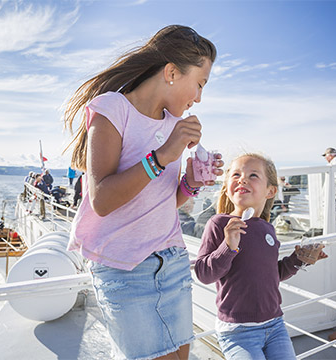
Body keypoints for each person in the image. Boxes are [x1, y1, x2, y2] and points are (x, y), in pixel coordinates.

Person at [62, 25, 220, 360]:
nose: (199, 98)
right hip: (123, 267)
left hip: (174, 261)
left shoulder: (171, 124)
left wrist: (190, 182)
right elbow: (103, 200)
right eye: (200, 84)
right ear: (172, 73)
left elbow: (160, 202)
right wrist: (164, 154)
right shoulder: (111, 109)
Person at [194, 153, 327, 359]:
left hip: (275, 326)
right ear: (227, 187)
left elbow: (273, 273)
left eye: (253, 175)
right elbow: (204, 274)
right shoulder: (219, 224)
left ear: (270, 191)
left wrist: (298, 260)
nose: (243, 179)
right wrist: (227, 246)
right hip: (237, 331)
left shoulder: (268, 229)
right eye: (236, 174)